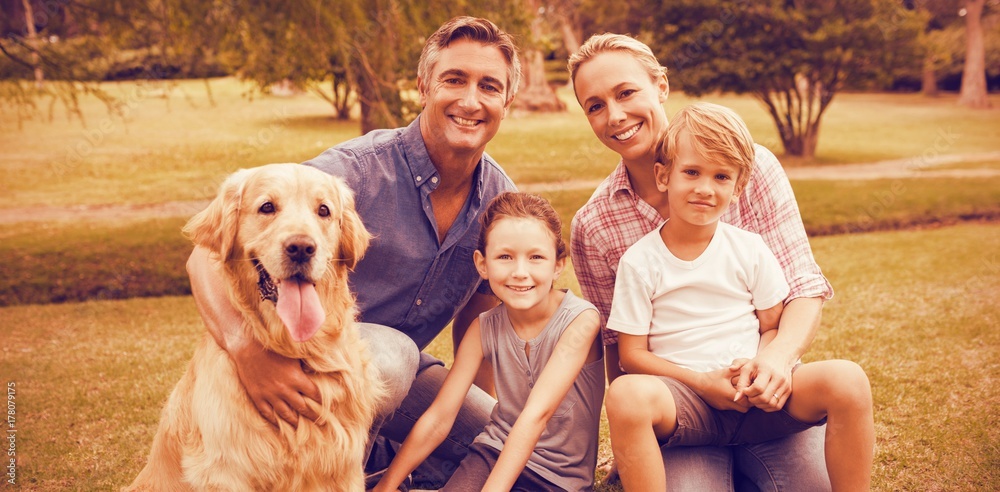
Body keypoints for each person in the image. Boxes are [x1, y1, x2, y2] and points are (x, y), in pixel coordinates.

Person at [186, 16, 521, 488]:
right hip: (310, 357)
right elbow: (205, 254)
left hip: (402, 377)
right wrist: (245, 349)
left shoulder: (499, 203)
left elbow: (480, 323)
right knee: (390, 356)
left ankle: (380, 461)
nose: (470, 100)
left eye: (489, 86)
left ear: (507, 101)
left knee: (501, 443)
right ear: (424, 86)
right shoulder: (357, 171)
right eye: (453, 79)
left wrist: (462, 425)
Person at [568, 33, 837, 489]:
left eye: (626, 92)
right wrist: (632, 443)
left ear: (661, 87)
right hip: (682, 408)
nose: (615, 115)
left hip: (763, 392)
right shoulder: (594, 225)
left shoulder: (753, 169)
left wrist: (774, 361)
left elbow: (803, 287)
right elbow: (618, 346)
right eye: (595, 105)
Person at [605, 102, 875, 491]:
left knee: (848, 379)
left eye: (721, 176)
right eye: (692, 172)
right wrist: (701, 382)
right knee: (626, 394)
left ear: (738, 188)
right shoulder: (640, 261)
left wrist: (762, 367)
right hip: (687, 402)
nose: (704, 188)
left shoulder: (750, 248)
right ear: (664, 176)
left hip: (758, 400)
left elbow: (772, 325)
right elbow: (632, 355)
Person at [374, 191, 605, 492]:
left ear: (558, 264)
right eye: (505, 257)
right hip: (490, 453)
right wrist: (386, 487)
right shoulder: (483, 329)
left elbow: (537, 415)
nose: (520, 273)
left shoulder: (581, 321)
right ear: (482, 264)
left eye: (536, 257)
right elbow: (440, 416)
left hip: (556, 477)